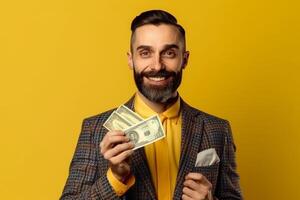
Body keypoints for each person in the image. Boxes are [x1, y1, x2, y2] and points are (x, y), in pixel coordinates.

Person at [60, 10, 243, 200]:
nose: (157, 65)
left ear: (185, 59)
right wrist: (115, 178)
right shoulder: (94, 129)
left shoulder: (217, 129)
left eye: (169, 53)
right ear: (131, 60)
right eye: (145, 53)